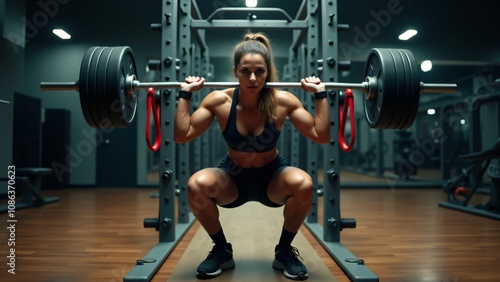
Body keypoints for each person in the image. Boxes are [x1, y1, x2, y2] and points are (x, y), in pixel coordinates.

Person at [174, 32, 329, 280]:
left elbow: (320, 135)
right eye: (246, 71)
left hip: (272, 177)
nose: (253, 78)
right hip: (232, 178)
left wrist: (320, 95)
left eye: (260, 71)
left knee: (304, 184)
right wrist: (185, 94)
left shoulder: (283, 101)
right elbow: (183, 135)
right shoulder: (219, 100)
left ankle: (285, 251)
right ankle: (222, 250)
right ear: (235, 71)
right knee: (196, 186)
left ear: (268, 72)